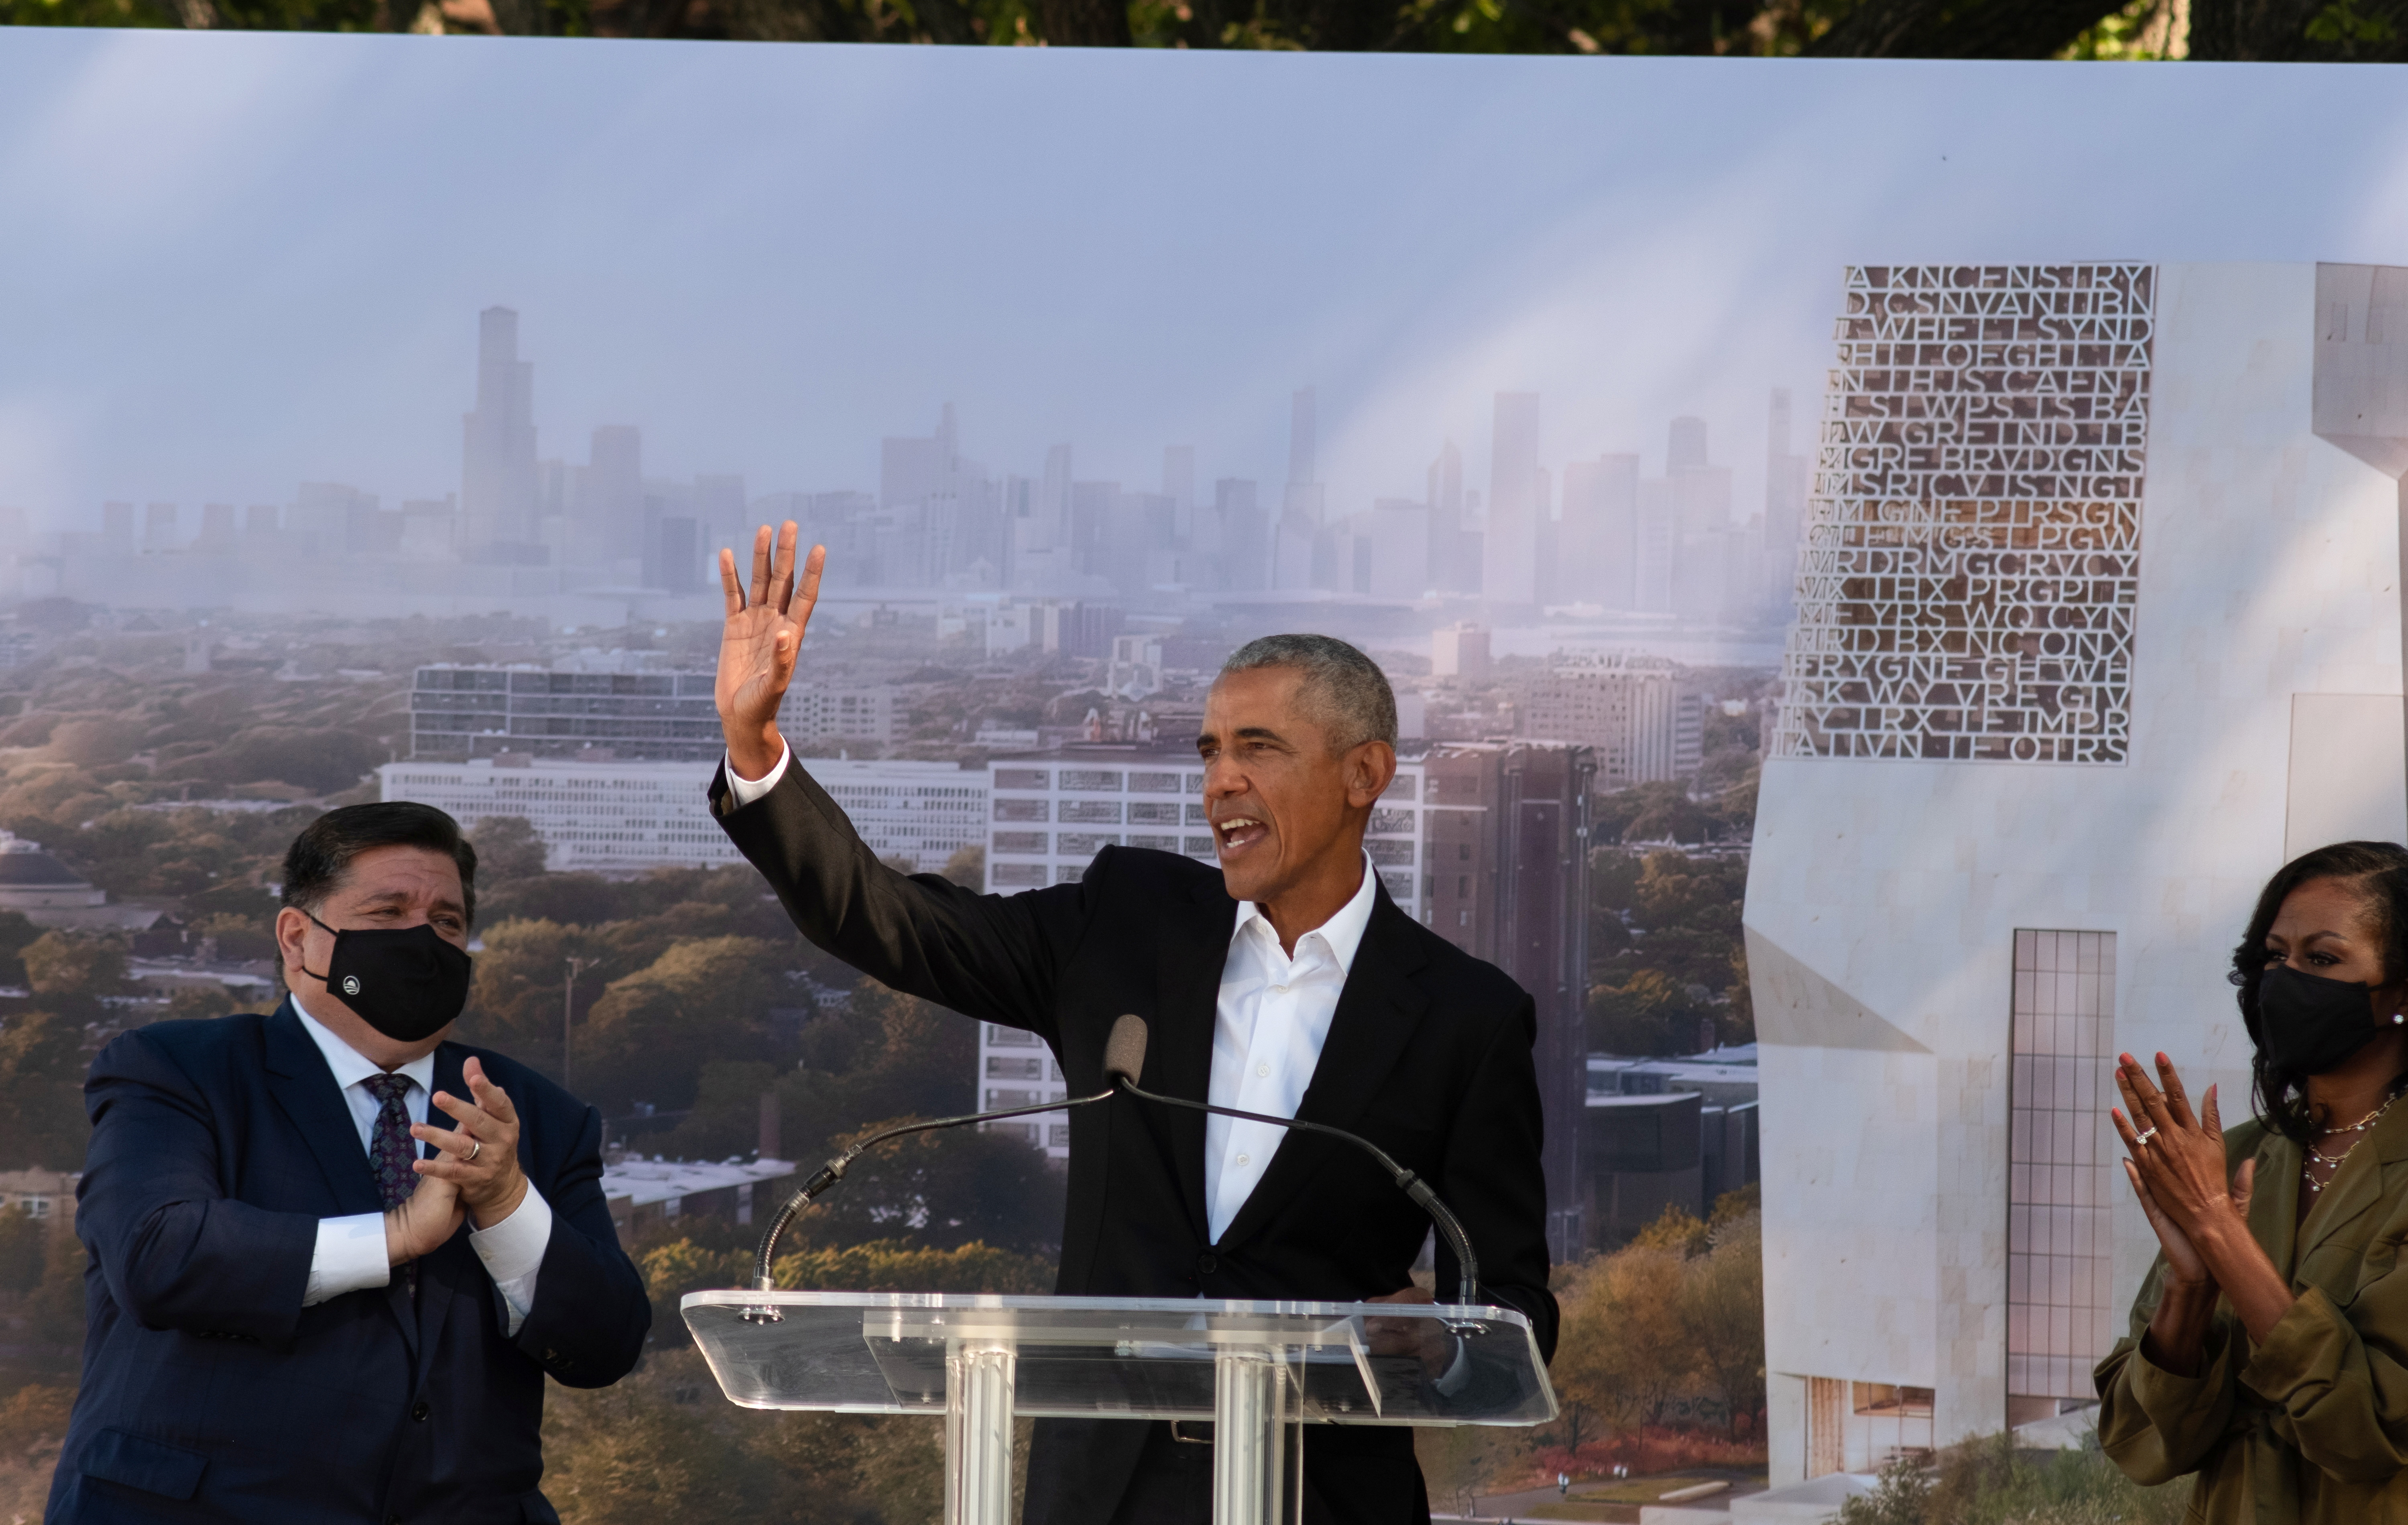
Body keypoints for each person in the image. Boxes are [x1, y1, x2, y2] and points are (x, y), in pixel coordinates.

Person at [708, 525, 1556, 1525]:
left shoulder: (1468, 1015)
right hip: (1098, 1494)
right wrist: (755, 751)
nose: (1220, 780)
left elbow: (1514, 1308)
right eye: (1211, 751)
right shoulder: (1126, 922)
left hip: (1322, 1498)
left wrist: (1452, 1340)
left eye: (1259, 748)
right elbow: (895, 921)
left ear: (1364, 773)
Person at [49, 803, 651, 1524]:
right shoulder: (180, 1070)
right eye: (388, 913)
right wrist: (396, 1235)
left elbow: (608, 1343)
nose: (423, 942)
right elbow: (158, 1255)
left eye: (447, 923)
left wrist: (507, 1203)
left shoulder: (534, 1117)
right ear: (299, 939)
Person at [2096, 839, 2408, 1519]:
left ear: (2399, 993)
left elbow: (2370, 1433)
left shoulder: (2212, 1192)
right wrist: (2189, 1291)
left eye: (2321, 959)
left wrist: (2223, 1238)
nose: (2284, 980)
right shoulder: (2234, 1159)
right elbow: (2140, 1439)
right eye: (2274, 958)